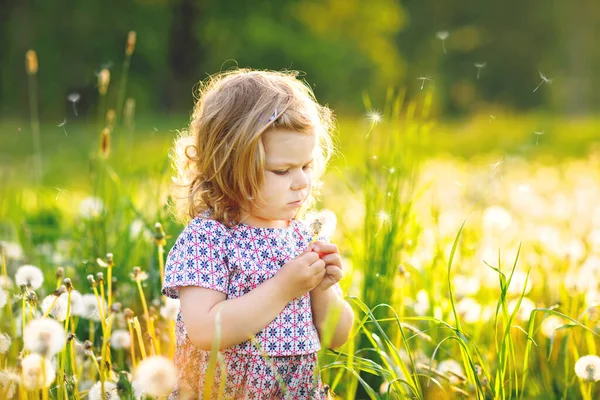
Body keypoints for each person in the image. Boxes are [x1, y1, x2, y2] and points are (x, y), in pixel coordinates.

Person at [162, 68, 354, 399]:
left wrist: (324, 290)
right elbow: (205, 331)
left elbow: (337, 337)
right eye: (282, 171)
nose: (302, 182)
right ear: (230, 166)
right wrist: (283, 288)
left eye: (306, 166)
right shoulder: (209, 238)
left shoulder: (301, 237)